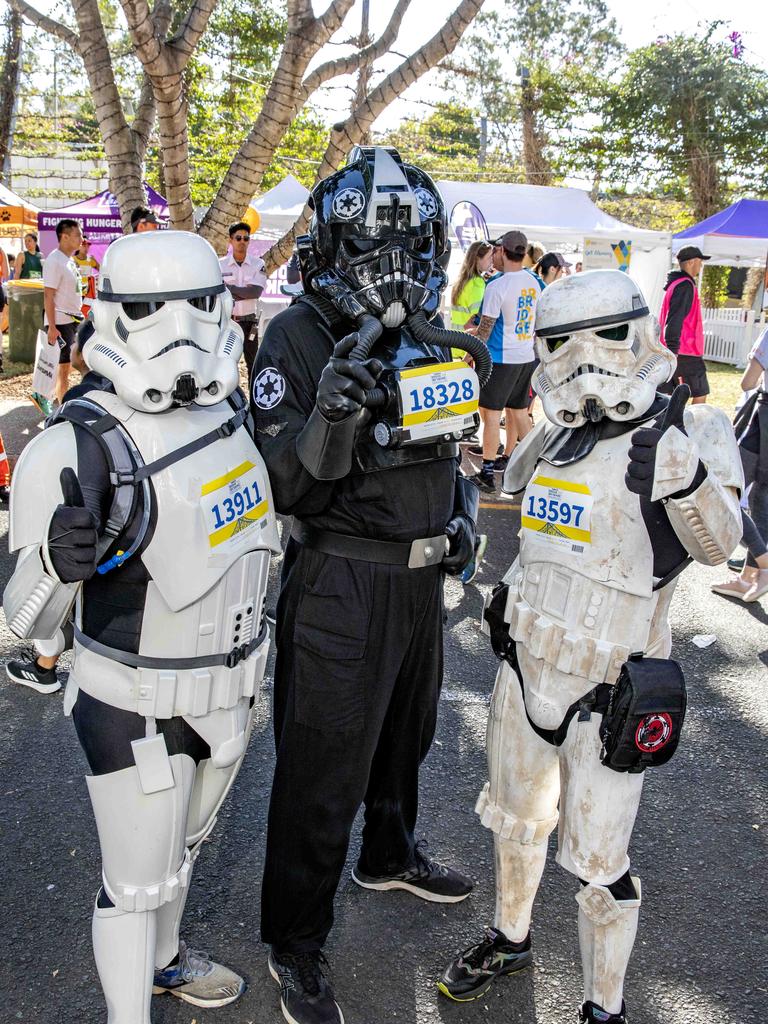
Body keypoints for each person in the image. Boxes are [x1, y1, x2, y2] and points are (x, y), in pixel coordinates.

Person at [438, 270, 743, 1024]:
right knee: (514, 820)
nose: (583, 358)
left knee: (601, 866)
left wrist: (689, 482)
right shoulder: (551, 433)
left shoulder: (686, 432)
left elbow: (728, 545)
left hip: (609, 685)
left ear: (640, 331)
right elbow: (511, 492)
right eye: (560, 342)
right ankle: (511, 936)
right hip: (523, 666)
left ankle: (602, 1006)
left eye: (604, 334)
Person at [3, 229, 279, 1023]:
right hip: (133, 699)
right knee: (134, 886)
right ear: (115, 315)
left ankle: (165, 963)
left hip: (229, 693)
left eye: (200, 305)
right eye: (158, 308)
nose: (183, 329)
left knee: (180, 855)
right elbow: (17, 631)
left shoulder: (228, 412)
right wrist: (55, 565)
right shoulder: (78, 444)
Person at [252, 145, 488, 1024]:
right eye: (374, 242)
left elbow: (447, 441)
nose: (396, 263)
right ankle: (297, 944)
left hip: (420, 587)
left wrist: (460, 511)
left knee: (404, 741)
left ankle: (389, 852)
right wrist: (329, 416)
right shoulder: (297, 333)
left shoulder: (428, 327)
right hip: (341, 584)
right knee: (321, 772)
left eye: (412, 241)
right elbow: (288, 483)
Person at [469, 230, 542, 491]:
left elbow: (484, 330)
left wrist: (468, 354)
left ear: (501, 251)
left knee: (491, 416)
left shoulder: (497, 285)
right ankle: (539, 469)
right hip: (525, 357)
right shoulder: (535, 282)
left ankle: (487, 474)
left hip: (500, 359)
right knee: (520, 412)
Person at [712, 326, 768, 601]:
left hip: (763, 422)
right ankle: (748, 577)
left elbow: (748, 382)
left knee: (726, 491)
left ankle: (764, 562)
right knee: (761, 497)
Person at [659, 245, 711, 403]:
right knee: (700, 392)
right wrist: (673, 351)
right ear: (691, 262)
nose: (701, 266)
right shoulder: (684, 286)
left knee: (669, 396)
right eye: (699, 262)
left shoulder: (676, 284)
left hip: (677, 349)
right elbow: (675, 319)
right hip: (684, 350)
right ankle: (693, 427)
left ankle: (671, 425)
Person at [43, 218, 84, 405]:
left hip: (73, 319)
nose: (81, 239)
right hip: (60, 322)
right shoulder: (54, 260)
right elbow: (48, 296)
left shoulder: (69, 260)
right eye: (78, 235)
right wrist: (52, 327)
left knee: (74, 364)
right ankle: (61, 408)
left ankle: (59, 400)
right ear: (64, 236)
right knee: (63, 369)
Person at [219, 221, 267, 377]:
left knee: (253, 363)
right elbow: (218, 293)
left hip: (249, 322)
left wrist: (229, 289)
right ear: (230, 240)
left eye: (246, 239)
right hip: (227, 322)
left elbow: (255, 292)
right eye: (238, 238)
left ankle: (254, 400)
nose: (242, 242)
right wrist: (242, 292)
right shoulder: (220, 265)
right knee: (226, 362)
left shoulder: (258, 263)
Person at [449, 240, 493, 331]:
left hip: (455, 340)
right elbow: (477, 319)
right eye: (489, 257)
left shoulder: (460, 282)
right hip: (469, 342)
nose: (492, 261)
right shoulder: (477, 283)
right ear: (477, 258)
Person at [73, 236, 100, 317]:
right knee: (78, 315)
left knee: (87, 315)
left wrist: (96, 262)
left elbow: (101, 270)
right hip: (77, 293)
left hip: (88, 294)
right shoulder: (72, 260)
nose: (86, 248)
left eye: (88, 246)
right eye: (84, 245)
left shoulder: (90, 260)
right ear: (78, 246)